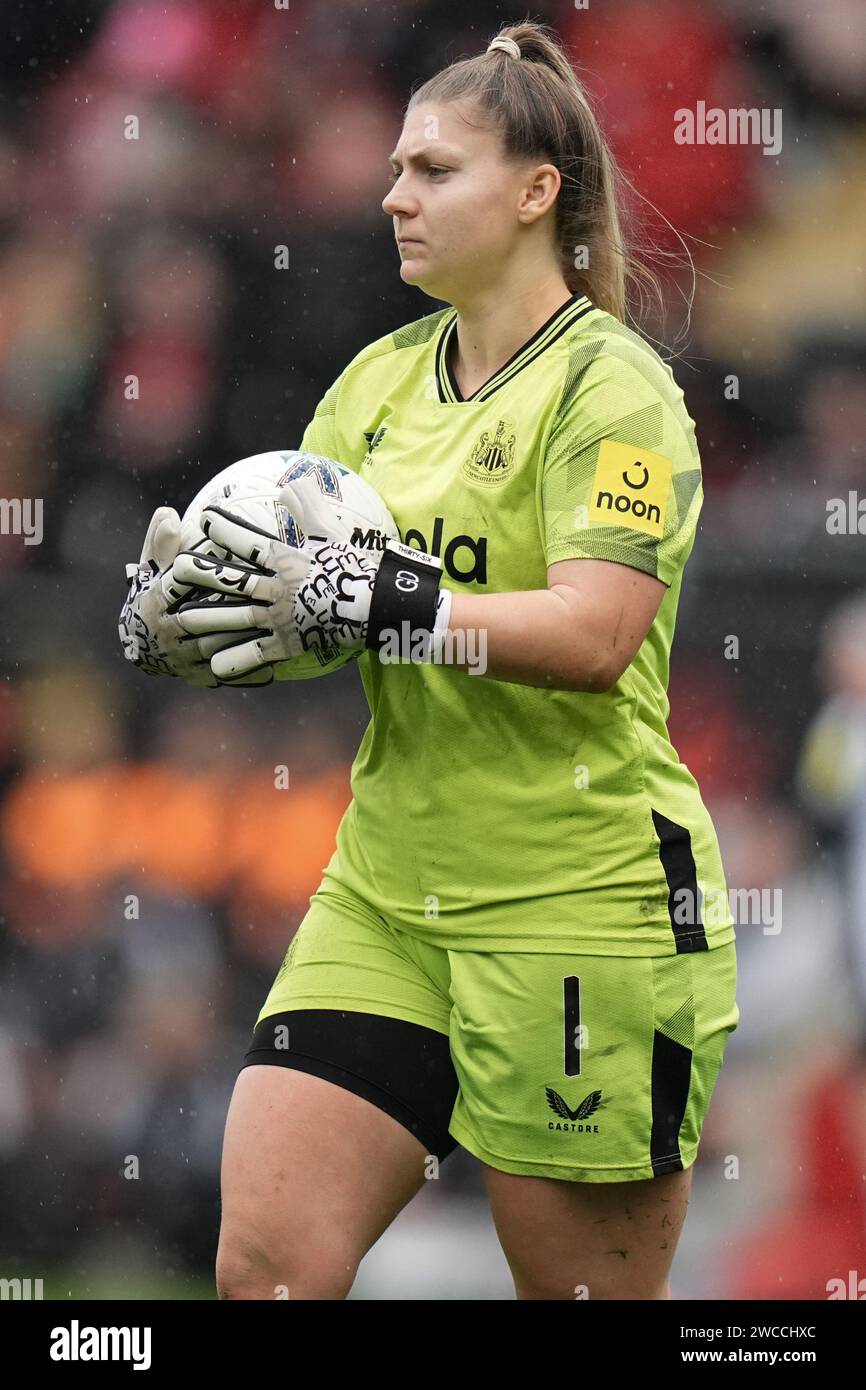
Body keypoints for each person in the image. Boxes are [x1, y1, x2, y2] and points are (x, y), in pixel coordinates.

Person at [119, 21, 739, 1300]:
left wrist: (386, 592)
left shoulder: (612, 390)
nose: (392, 194)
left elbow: (592, 633)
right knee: (266, 1271)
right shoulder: (375, 384)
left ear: (533, 192)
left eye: (432, 170)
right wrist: (208, 627)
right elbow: (325, 621)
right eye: (395, 166)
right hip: (389, 894)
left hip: (580, 905)